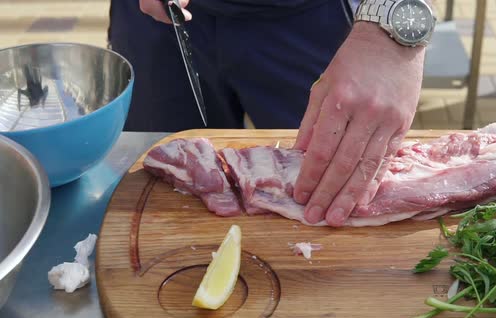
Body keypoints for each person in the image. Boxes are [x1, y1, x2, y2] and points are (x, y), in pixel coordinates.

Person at [109, 0, 433, 226]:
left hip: (307, 17)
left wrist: (392, 27)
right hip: (158, 19)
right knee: (154, 185)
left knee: (339, 186)